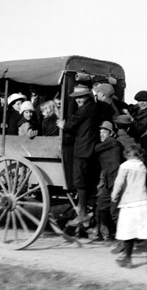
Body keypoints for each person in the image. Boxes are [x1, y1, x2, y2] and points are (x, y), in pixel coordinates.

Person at [111, 144, 147, 273]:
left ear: (127, 155)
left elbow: (119, 182)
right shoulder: (142, 167)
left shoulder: (125, 166)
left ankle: (127, 259)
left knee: (128, 231)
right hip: (143, 202)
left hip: (129, 202)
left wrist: (114, 195)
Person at [57, 84, 99, 226]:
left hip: (82, 148)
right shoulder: (93, 106)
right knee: (87, 180)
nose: (78, 100)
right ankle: (86, 209)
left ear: (87, 96)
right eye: (76, 98)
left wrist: (63, 125)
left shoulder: (84, 110)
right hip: (90, 147)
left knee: (79, 180)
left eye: (80, 97)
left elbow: (71, 125)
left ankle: (82, 214)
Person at [93, 121, 122, 243]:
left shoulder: (111, 142)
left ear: (111, 133)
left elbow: (95, 149)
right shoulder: (111, 143)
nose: (102, 135)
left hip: (114, 181)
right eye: (100, 132)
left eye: (104, 132)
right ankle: (106, 234)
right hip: (109, 180)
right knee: (102, 204)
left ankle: (123, 239)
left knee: (114, 210)